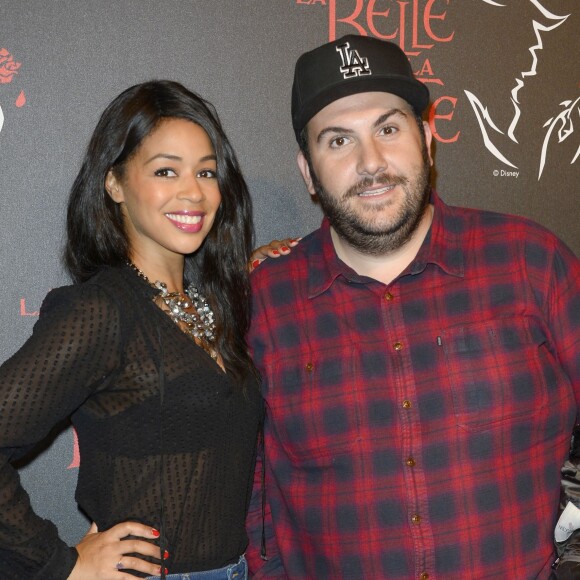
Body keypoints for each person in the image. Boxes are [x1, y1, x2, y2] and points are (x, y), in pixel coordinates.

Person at [245, 34, 580, 579]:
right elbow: (251, 491)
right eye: (337, 141)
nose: (370, 162)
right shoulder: (265, 302)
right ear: (307, 171)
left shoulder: (530, 262)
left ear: (427, 138)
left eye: (388, 128)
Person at [0, 80, 262, 579]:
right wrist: (61, 565)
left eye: (206, 172)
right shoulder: (101, 310)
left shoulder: (216, 305)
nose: (194, 191)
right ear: (115, 183)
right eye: (166, 170)